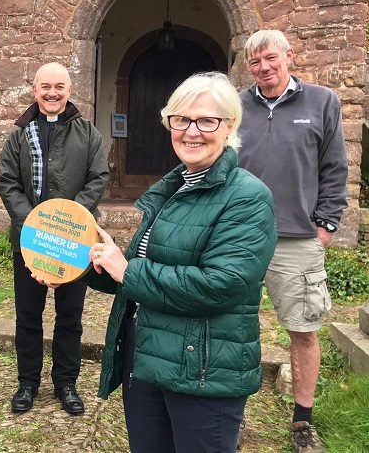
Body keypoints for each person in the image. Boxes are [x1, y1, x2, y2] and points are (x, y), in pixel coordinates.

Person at [80, 72, 277, 452]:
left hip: (204, 367)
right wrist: (84, 266)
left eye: (206, 120)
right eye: (181, 119)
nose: (192, 131)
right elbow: (136, 272)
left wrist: (128, 269)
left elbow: (222, 284)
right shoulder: (175, 187)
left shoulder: (247, 197)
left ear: (229, 125)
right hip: (148, 353)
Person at [237, 29, 348, 453]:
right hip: (241, 236)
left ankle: (302, 421)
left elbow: (335, 168)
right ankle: (233, 409)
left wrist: (327, 226)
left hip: (297, 238)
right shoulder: (237, 106)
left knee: (302, 330)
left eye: (270, 58)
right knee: (233, 326)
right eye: (254, 62)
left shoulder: (322, 102)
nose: (263, 68)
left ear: (288, 57)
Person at [0, 62, 109, 415]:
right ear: (35, 90)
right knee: (28, 315)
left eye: (59, 86)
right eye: (45, 87)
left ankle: (66, 383)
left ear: (69, 90)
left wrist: (70, 220)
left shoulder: (87, 133)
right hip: (28, 243)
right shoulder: (19, 134)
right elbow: (8, 181)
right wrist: (33, 224)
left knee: (70, 316)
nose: (52, 93)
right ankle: (27, 383)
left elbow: (98, 176)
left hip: (74, 243)